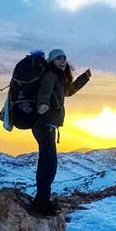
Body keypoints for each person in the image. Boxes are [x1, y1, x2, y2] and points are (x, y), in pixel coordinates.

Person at [31, 49, 92, 216]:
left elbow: (68, 91)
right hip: (45, 123)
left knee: (46, 161)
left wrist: (84, 78)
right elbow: (45, 90)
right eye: (58, 58)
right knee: (49, 163)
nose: (63, 60)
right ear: (51, 61)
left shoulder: (58, 77)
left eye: (64, 58)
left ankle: (41, 199)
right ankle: (42, 201)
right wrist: (42, 104)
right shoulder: (50, 75)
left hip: (46, 124)